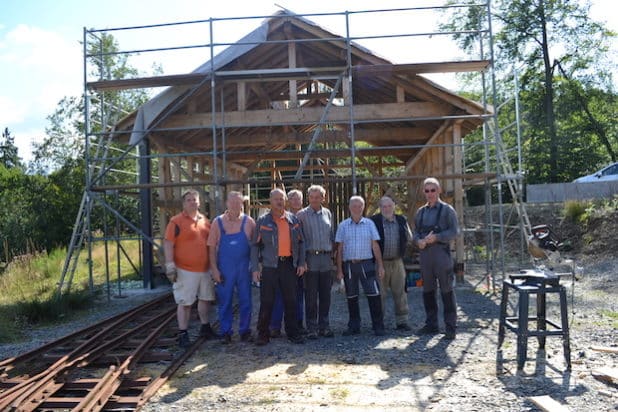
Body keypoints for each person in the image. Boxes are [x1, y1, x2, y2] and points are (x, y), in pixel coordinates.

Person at [251, 188, 307, 345]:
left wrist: (301, 262)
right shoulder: (262, 221)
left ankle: (293, 333)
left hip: (288, 265)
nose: (279, 202)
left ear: (285, 201)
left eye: (282, 199)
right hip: (269, 266)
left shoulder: (293, 220)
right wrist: (255, 268)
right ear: (270, 201)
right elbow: (254, 246)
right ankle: (263, 334)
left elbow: (302, 243)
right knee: (267, 301)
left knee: (291, 300)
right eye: (276, 199)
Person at [164, 189, 217, 348]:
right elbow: (168, 243)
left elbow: (212, 244)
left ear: (199, 202)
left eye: (195, 199)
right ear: (183, 203)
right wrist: (169, 264)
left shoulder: (205, 221)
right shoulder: (176, 221)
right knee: (185, 302)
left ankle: (205, 327)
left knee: (205, 299)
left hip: (204, 269)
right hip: (185, 269)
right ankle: (183, 333)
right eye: (189, 200)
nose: (192, 202)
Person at [413, 177, 460, 340]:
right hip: (425, 257)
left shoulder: (448, 210)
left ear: (439, 191)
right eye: (427, 191)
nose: (430, 194)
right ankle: (431, 324)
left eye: (433, 190)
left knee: (447, 290)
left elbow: (455, 232)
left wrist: (438, 237)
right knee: (428, 291)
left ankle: (450, 327)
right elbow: (415, 232)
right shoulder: (420, 212)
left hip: (442, 255)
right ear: (423, 192)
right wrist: (418, 241)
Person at [208, 191, 256, 344]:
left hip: (244, 268)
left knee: (246, 300)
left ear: (242, 204)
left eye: (238, 202)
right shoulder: (218, 222)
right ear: (226, 203)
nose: (235, 205)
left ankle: (245, 331)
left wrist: (256, 267)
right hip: (225, 269)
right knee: (225, 300)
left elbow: (256, 247)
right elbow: (211, 247)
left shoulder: (249, 222)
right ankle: (226, 332)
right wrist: (214, 269)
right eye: (232, 202)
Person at [335, 195, 386, 336]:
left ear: (363, 207)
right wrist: (339, 269)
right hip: (350, 266)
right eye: (354, 206)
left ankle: (378, 326)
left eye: (359, 206)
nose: (357, 208)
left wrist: (380, 265)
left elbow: (375, 246)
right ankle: (354, 326)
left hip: (367, 264)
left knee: (374, 294)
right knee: (351, 296)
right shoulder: (343, 225)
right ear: (349, 208)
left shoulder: (370, 224)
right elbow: (339, 249)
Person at [370, 196, 414, 331]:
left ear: (394, 206)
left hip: (397, 261)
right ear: (380, 208)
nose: (387, 209)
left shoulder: (402, 220)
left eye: (389, 206)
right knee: (380, 294)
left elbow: (410, 238)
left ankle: (402, 321)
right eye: (384, 206)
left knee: (400, 292)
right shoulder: (374, 221)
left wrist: (405, 254)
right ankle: (379, 322)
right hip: (380, 262)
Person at [297, 185, 335, 339]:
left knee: (326, 295)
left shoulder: (328, 213)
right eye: (312, 197)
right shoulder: (301, 215)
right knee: (311, 296)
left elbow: (331, 235)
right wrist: (302, 261)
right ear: (308, 198)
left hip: (325, 258)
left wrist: (333, 255)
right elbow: (299, 240)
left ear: (323, 198)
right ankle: (312, 327)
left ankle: (324, 326)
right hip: (310, 258)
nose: (314, 200)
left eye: (318, 197)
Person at [270, 189, 306, 337]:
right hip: (277, 262)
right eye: (292, 198)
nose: (295, 201)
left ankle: (296, 324)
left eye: (298, 199)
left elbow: (302, 242)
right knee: (277, 295)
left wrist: (302, 262)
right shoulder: (273, 218)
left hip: (296, 262)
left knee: (297, 295)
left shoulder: (300, 217)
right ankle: (275, 326)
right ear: (287, 201)